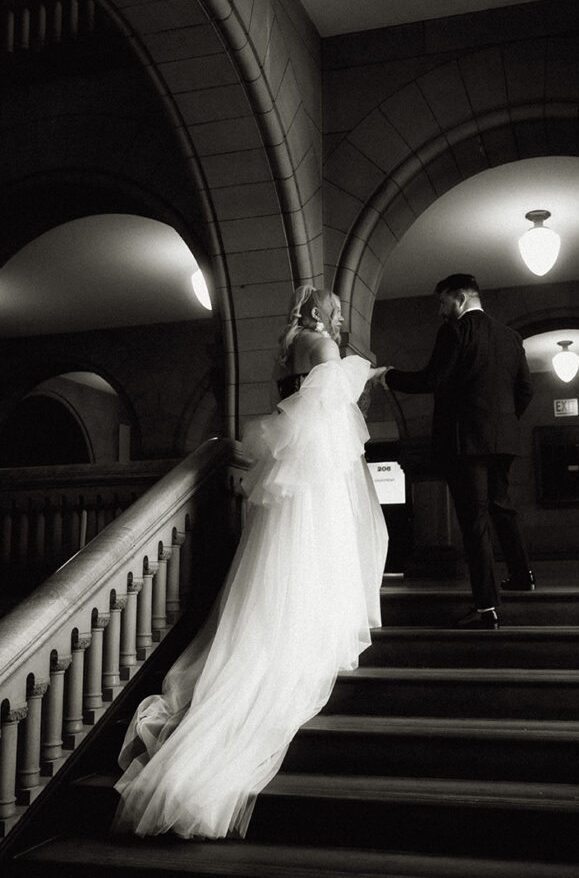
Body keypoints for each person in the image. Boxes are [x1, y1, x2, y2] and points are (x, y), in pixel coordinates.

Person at [111, 286, 388, 839]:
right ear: (322, 314)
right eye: (336, 312)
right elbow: (323, 416)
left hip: (291, 478)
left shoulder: (288, 347)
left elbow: (295, 401)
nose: (339, 320)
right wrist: (363, 376)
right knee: (316, 553)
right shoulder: (324, 349)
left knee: (277, 562)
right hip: (314, 477)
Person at [382, 273, 534, 629]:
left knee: (474, 521)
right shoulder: (511, 337)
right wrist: (505, 424)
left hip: (465, 443)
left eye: (443, 302)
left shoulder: (455, 331)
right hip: (502, 442)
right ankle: (523, 575)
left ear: (461, 298)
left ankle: (487, 607)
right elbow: (525, 390)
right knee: (502, 507)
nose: (440, 310)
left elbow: (432, 380)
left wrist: (390, 376)